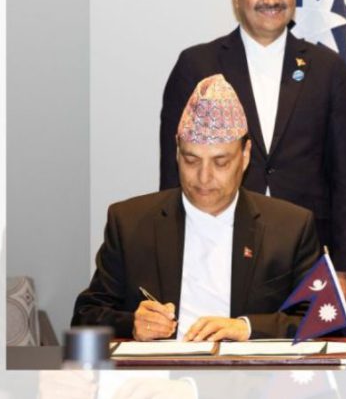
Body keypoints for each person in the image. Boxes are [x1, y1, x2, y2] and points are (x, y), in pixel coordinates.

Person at [159, 0, 346, 301]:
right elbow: (175, 173)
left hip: (308, 253)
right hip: (216, 248)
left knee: (300, 339)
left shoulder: (327, 69)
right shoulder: (196, 65)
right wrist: (172, 259)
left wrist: (345, 269)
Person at [74, 74, 321, 341]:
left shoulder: (289, 227)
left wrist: (248, 328)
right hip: (160, 368)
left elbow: (323, 319)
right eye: (191, 160)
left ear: (245, 155)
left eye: (220, 162)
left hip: (246, 367)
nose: (204, 177)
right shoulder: (130, 222)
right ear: (177, 153)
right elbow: (85, 316)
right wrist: (132, 323)